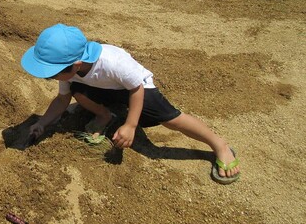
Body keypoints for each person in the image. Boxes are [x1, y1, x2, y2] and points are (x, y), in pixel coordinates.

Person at [21, 24, 241, 184]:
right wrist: (44, 122)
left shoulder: (113, 63)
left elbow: (136, 88)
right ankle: (105, 116)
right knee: (76, 91)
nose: (50, 78)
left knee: (171, 120)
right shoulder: (71, 72)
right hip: (107, 89)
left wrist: (131, 125)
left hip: (137, 89)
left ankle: (219, 145)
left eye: (51, 75)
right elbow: (62, 99)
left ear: (75, 65)